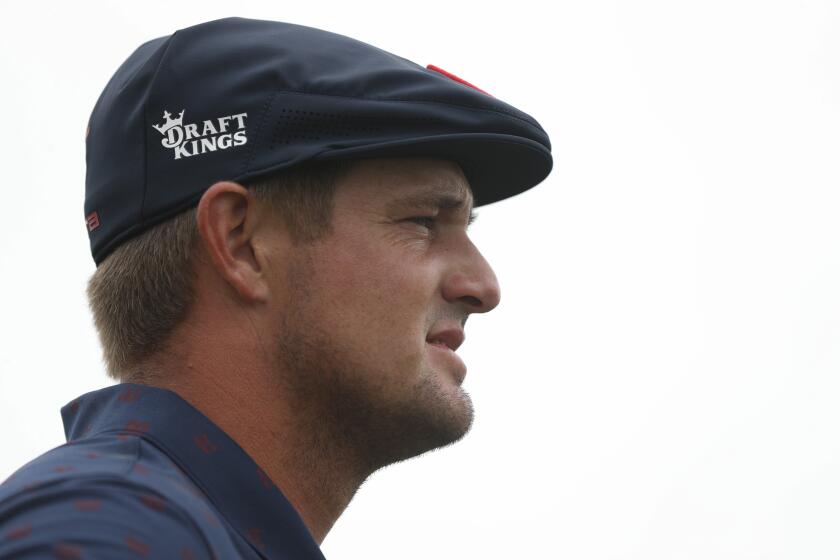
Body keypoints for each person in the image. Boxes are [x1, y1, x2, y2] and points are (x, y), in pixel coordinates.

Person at [0, 16, 552, 559]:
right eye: (424, 221)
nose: (483, 286)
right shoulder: (109, 532)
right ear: (241, 243)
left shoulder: (157, 523)